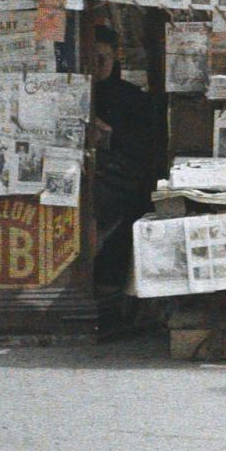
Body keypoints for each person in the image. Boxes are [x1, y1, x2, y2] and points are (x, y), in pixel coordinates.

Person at [88, 21, 159, 286]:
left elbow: (143, 146)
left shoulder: (132, 98)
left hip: (119, 180)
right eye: (89, 58)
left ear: (114, 56)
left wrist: (110, 134)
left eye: (101, 58)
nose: (96, 65)